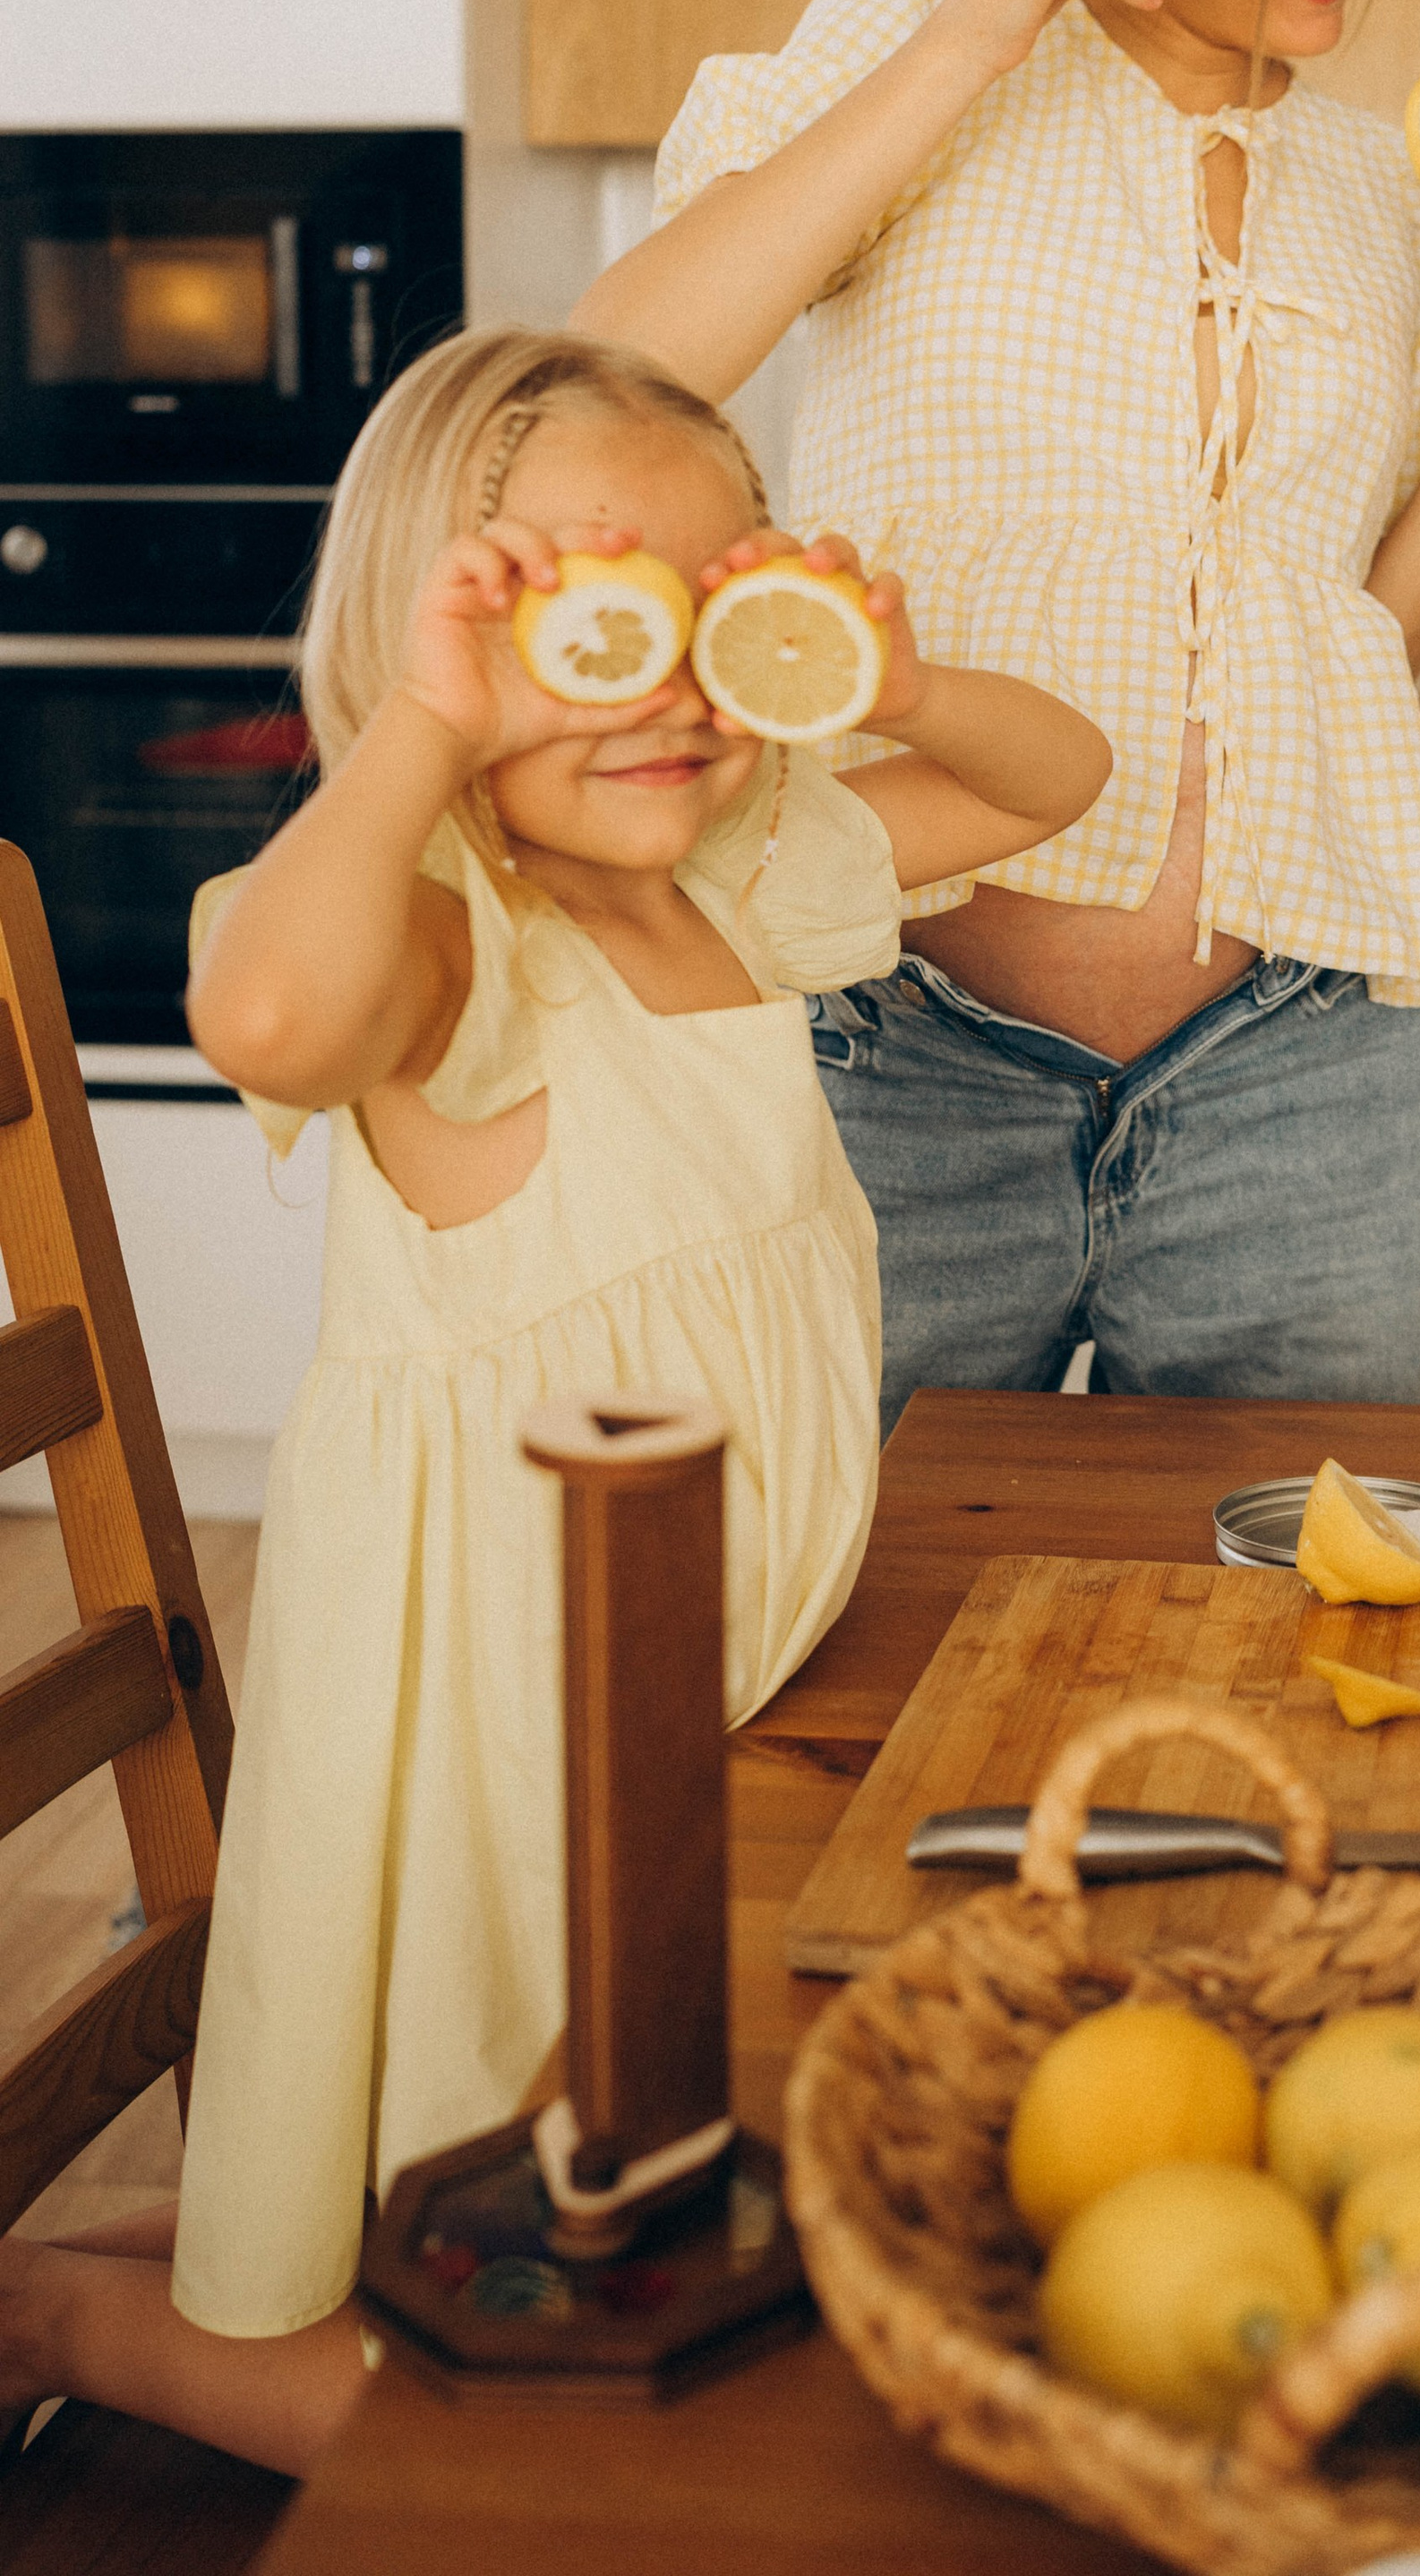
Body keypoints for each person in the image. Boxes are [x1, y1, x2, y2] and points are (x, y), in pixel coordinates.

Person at [0, 327, 1106, 2473]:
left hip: (704, 1690)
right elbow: (260, 1003)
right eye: (578, 623)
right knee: (552, 2364)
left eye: (707, 613)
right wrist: (429, 723)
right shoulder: (447, 943)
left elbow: (1045, 777)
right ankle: (52, 2303)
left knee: (465, 2194)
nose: (662, 679)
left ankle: (207, 2251)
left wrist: (882, 672)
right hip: (517, 1743)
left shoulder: (731, 877)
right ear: (450, 630)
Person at [577, 0, 1420, 1420]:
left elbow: (1349, 653)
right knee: (832, 1628)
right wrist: (976, 21)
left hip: (1297, 1078)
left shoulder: (1377, 192)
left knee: (1273, 1647)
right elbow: (619, 379)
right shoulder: (924, 21)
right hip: (902, 1057)